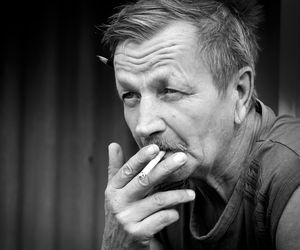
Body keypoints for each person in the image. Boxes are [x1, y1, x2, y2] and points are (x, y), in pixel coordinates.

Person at [100, 0, 300, 249]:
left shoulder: (291, 171)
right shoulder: (161, 191)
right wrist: (118, 244)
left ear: (239, 92)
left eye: (170, 90)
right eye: (130, 95)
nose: (143, 126)